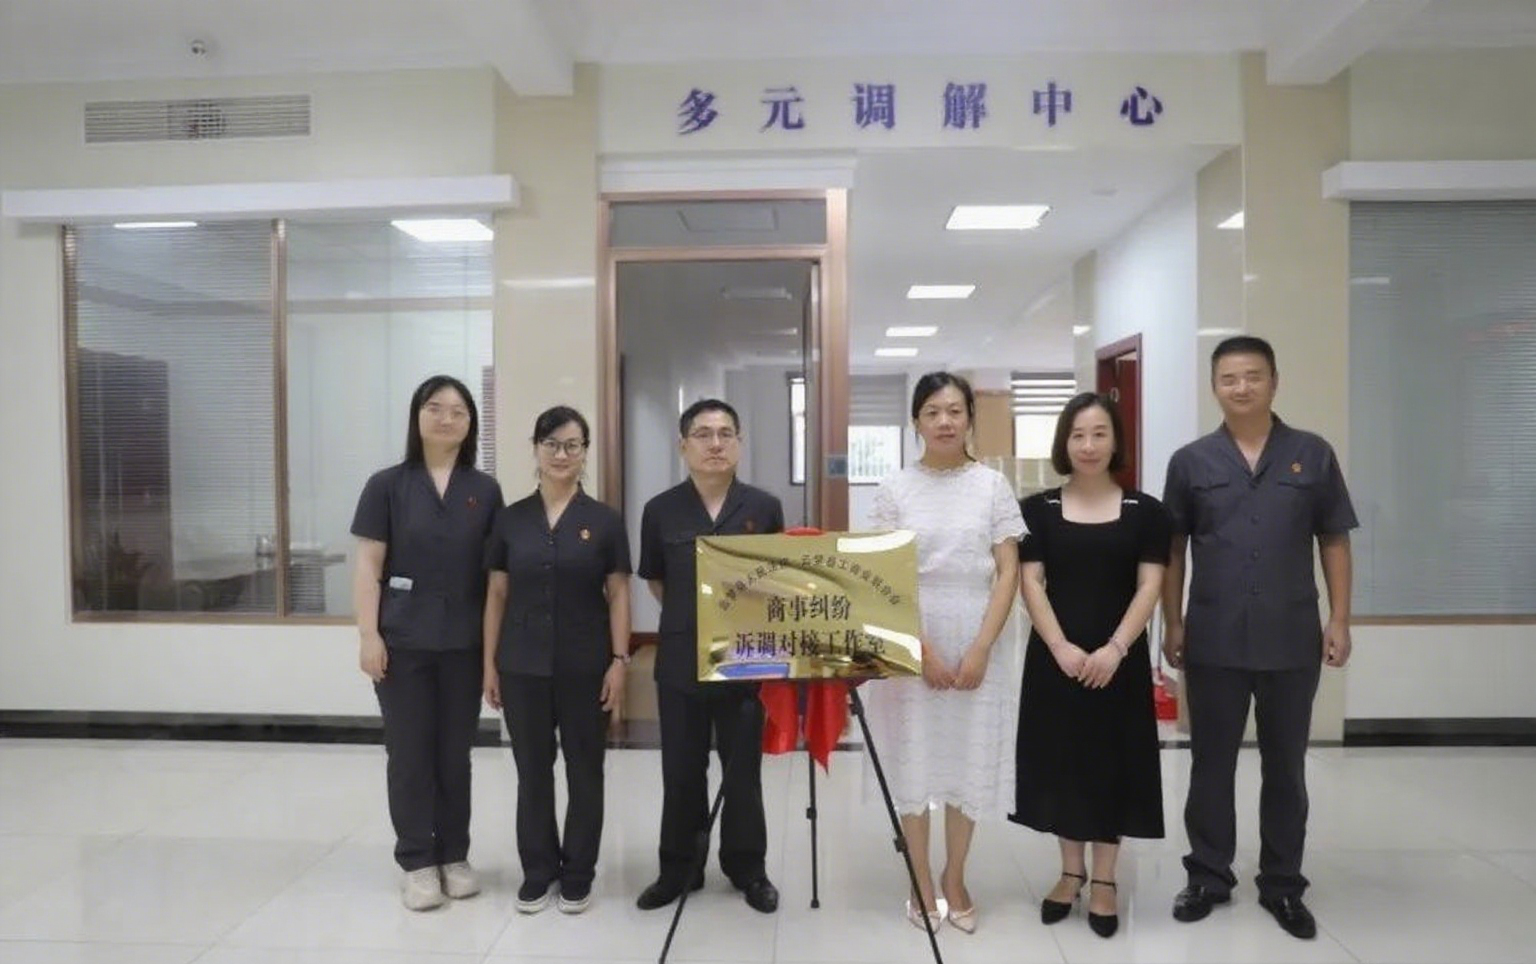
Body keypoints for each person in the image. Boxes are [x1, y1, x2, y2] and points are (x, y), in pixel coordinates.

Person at [1162, 335, 1358, 941]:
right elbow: (1173, 550)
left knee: (1286, 766)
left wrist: (1340, 619)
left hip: (1291, 637)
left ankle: (1282, 884)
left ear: (1274, 381)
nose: (1241, 387)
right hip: (1214, 637)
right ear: (1214, 387)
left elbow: (1334, 539)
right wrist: (1173, 622)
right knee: (1210, 764)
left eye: (1252, 376)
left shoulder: (1312, 454)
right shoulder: (1191, 462)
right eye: (1228, 378)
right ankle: (1208, 876)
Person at [863, 371, 1025, 934]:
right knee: (915, 757)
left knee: (965, 760)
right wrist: (923, 649)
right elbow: (883, 578)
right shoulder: (895, 489)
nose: (945, 421)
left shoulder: (992, 486)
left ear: (970, 419)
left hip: (978, 629)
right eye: (932, 411)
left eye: (955, 411)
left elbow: (1008, 571)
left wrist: (980, 647)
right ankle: (919, 879)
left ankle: (955, 876)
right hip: (912, 632)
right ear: (916, 421)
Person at [1010, 393, 1169, 939]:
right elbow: (1031, 583)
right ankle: (1069, 871)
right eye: (1078, 434)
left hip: (1118, 661)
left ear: (1116, 440)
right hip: (1055, 659)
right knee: (1063, 762)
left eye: (1100, 433)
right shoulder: (1038, 510)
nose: (1089, 445)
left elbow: (1150, 586)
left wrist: (1116, 649)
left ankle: (1104, 880)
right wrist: (1059, 646)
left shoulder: (1146, 511)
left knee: (1112, 764)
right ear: (1064, 442)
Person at [350, 375, 504, 911]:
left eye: (458, 411)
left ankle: (454, 855)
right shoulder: (387, 485)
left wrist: (493, 657)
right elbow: (368, 566)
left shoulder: (484, 491)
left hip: (463, 643)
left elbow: (496, 579)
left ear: (470, 424)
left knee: (454, 755)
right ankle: (417, 861)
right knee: (410, 753)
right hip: (403, 642)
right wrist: (369, 634)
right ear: (417, 417)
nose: (446, 418)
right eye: (435, 408)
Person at [635, 398, 785, 914]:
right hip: (681, 660)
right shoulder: (660, 510)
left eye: (725, 434)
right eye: (703, 434)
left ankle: (748, 869)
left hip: (746, 661)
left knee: (742, 773)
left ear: (739, 443)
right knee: (681, 771)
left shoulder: (764, 507)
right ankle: (679, 869)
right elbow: (657, 580)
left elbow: (777, 581)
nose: (715, 444)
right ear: (684, 446)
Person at [482, 406, 632, 915]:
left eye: (572, 444)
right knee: (532, 771)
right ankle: (538, 870)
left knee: (585, 770)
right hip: (521, 664)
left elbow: (619, 593)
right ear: (536, 449)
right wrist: (490, 664)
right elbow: (497, 594)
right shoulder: (510, 519)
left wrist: (619, 660)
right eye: (551, 444)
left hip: (587, 665)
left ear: (585, 452)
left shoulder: (604, 521)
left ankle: (578, 873)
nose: (561, 454)